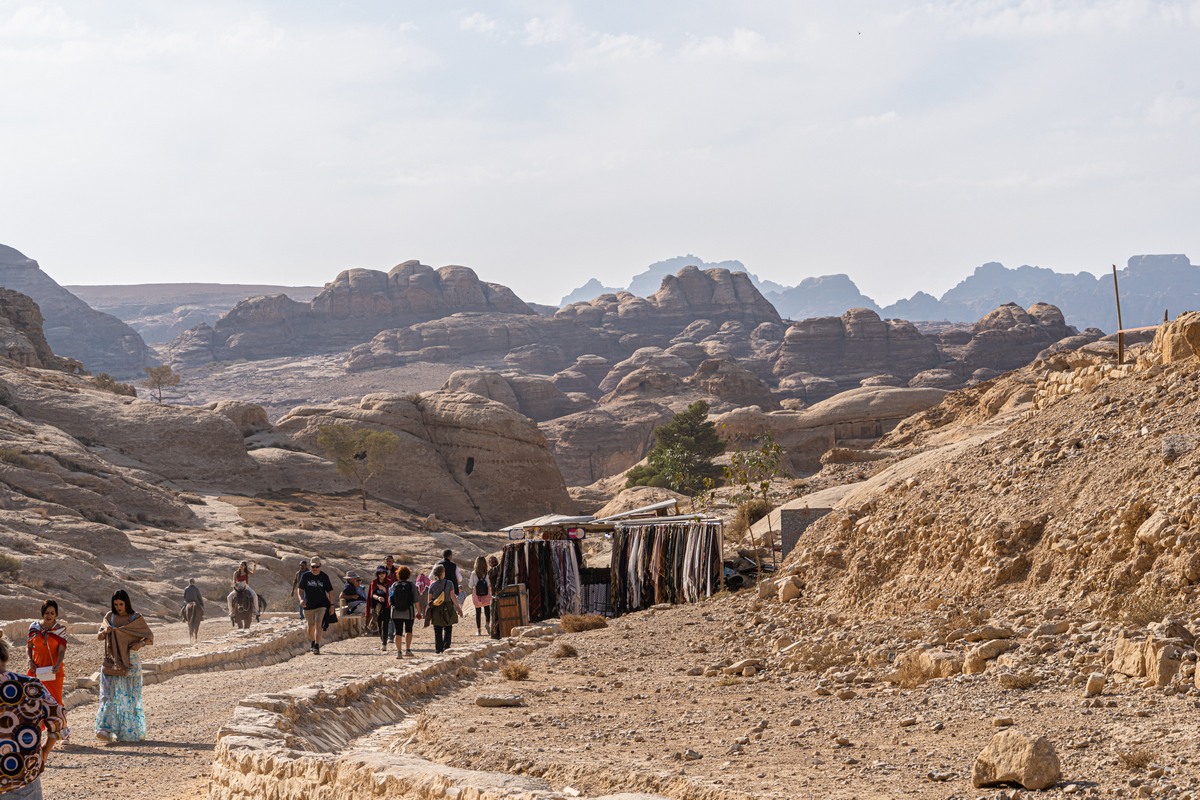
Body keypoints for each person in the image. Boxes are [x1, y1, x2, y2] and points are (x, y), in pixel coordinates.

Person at [0, 631, 65, 799]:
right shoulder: (31, 685)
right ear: (6, 655)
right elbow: (58, 718)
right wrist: (45, 752)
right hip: (25, 777)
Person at [95, 589, 153, 742]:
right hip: (111, 661)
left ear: (127, 603)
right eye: (116, 604)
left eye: (121, 604)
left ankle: (128, 732)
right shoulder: (109, 617)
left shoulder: (136, 618)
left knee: (130, 697)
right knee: (108, 696)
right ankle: (105, 729)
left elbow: (149, 637)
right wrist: (105, 632)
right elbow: (99, 636)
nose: (119, 607)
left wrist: (140, 643)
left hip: (131, 662)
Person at [26, 600, 69, 742]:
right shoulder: (34, 627)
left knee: (56, 701)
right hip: (36, 670)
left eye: (52, 613)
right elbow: (29, 646)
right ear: (42, 613)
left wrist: (58, 663)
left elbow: (62, 649)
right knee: (34, 701)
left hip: (53, 672)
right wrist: (30, 660)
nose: (49, 616)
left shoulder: (60, 629)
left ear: (56, 614)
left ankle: (62, 731)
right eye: (46, 613)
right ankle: (35, 733)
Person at [296, 558, 334, 655]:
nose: (315, 568)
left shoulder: (324, 577)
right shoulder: (306, 576)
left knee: (318, 624)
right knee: (311, 625)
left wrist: (332, 605)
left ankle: (317, 645)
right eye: (313, 567)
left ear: (320, 566)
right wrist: (301, 599)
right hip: (308, 605)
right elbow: (300, 589)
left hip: (321, 605)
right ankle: (312, 641)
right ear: (310, 566)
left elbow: (330, 591)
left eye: (317, 567)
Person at [426, 564, 462, 655]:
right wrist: (458, 608)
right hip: (447, 606)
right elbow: (453, 597)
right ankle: (446, 647)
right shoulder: (449, 583)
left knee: (437, 628)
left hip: (436, 608)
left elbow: (429, 600)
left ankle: (438, 649)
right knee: (448, 626)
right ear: (443, 573)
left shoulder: (432, 585)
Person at [388, 566, 420, 658]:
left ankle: (399, 652)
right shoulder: (411, 585)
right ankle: (408, 650)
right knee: (408, 630)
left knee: (398, 631)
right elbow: (416, 600)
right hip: (409, 612)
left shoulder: (394, 585)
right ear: (408, 575)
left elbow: (390, 600)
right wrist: (418, 611)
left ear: (398, 575)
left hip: (396, 612)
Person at [366, 566, 394, 652]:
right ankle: (382, 640)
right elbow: (372, 594)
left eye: (383, 573)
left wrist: (384, 589)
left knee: (385, 624)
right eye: (380, 573)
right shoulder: (374, 582)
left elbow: (392, 594)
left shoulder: (390, 582)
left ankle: (384, 643)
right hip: (377, 607)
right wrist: (378, 598)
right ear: (377, 574)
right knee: (379, 624)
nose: (382, 575)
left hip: (387, 606)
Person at [466, 556, 492, 636]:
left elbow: (470, 585)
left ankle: (479, 630)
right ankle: (487, 623)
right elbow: (489, 584)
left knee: (478, 611)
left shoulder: (474, 573)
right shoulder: (487, 572)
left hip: (477, 594)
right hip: (486, 593)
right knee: (487, 609)